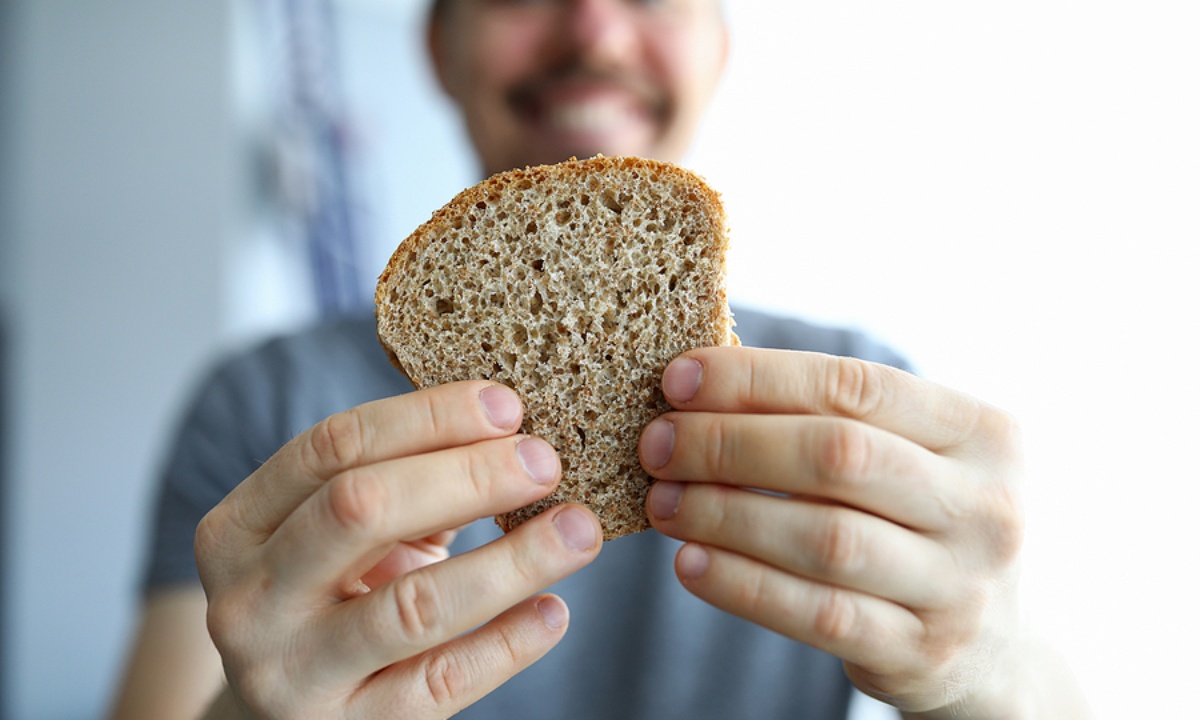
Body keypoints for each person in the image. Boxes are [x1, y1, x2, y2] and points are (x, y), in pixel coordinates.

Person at [109, 1, 1091, 718]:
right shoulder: (263, 405)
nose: (595, 32)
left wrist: (991, 674)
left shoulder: (850, 415)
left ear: (717, 47)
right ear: (437, 49)